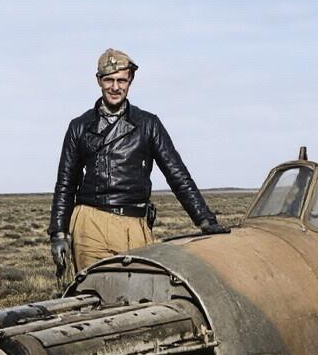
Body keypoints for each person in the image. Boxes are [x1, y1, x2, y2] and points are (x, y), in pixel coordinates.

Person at [48, 48, 227, 274]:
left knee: (138, 295)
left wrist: (205, 220)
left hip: (135, 224)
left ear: (130, 80)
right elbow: (65, 183)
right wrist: (58, 234)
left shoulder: (148, 124)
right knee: (95, 295)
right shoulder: (79, 126)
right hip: (90, 223)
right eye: (109, 80)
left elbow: (177, 174)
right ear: (98, 81)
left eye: (121, 80)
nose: (115, 87)